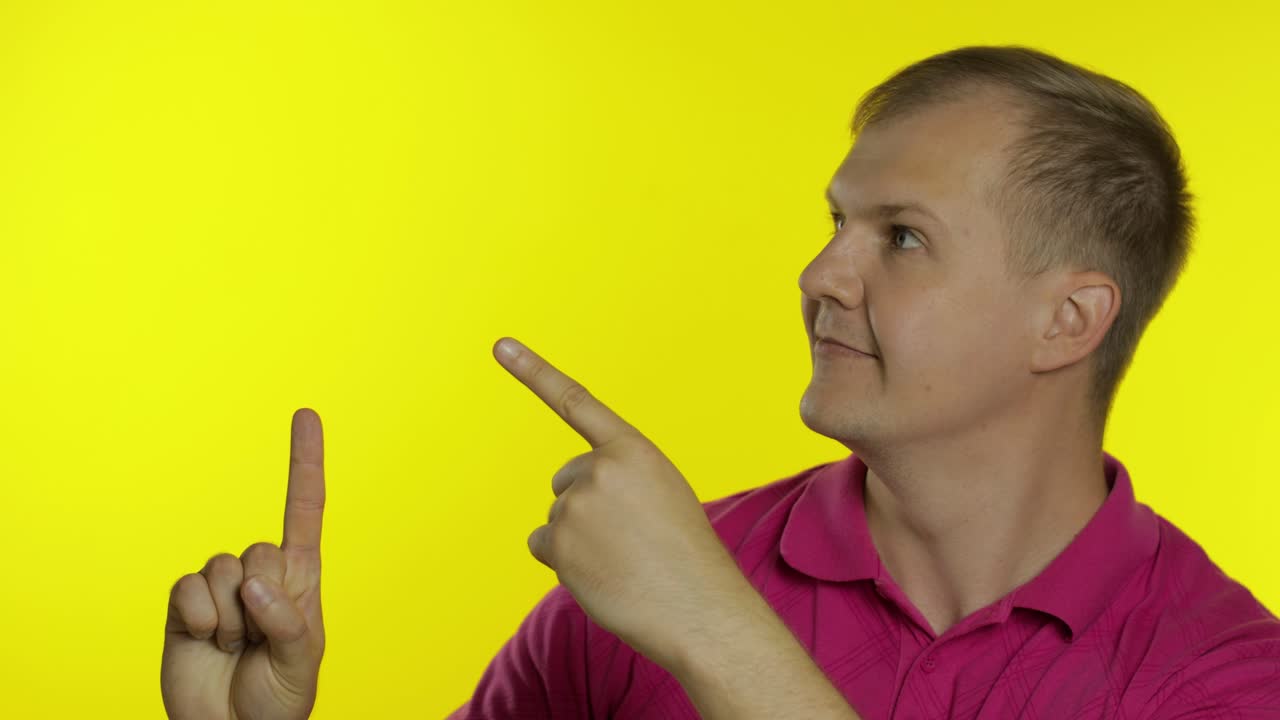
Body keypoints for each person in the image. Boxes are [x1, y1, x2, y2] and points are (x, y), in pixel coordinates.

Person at [161, 44, 1280, 719]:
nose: (817, 275)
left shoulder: (1218, 673)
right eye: (834, 222)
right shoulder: (642, 583)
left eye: (898, 238)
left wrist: (708, 625)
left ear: (1067, 319)